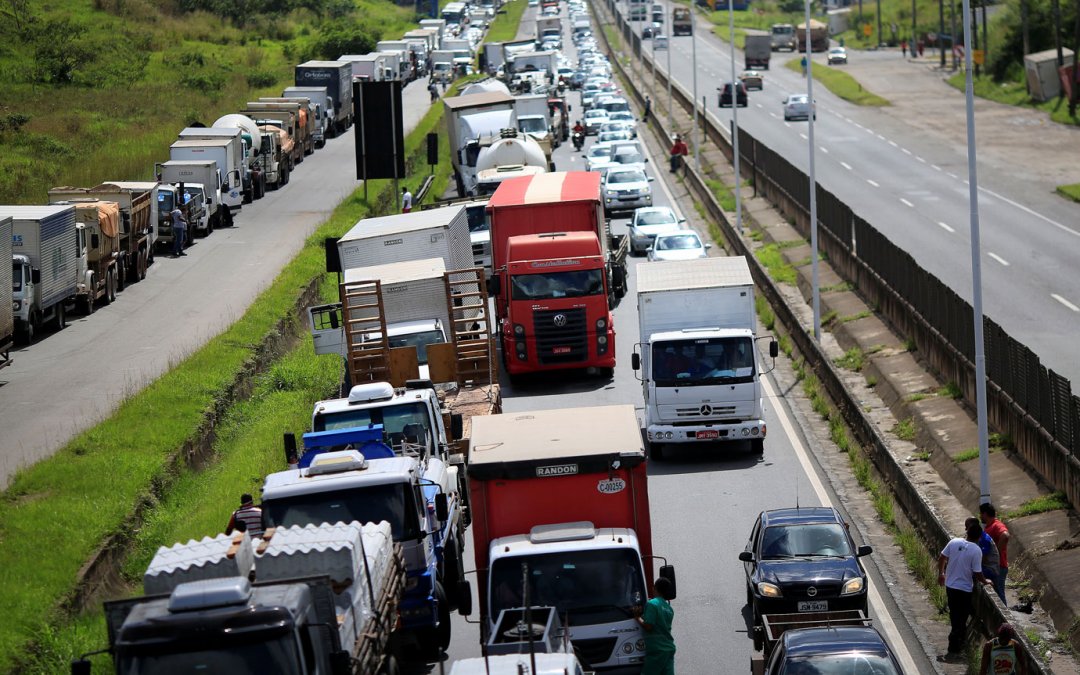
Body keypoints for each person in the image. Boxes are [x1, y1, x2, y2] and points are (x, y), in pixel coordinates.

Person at [938, 522, 992, 661]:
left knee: (955, 616)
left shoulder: (954, 542)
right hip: (964, 589)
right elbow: (978, 573)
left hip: (950, 586)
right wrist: (986, 581)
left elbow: (942, 557)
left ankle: (956, 647)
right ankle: (954, 649)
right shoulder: (976, 550)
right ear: (979, 537)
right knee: (960, 619)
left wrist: (941, 574)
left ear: (967, 532)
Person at [635, 577, 676, 675]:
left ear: (654, 588)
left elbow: (649, 626)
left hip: (657, 651)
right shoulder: (669, 608)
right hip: (669, 649)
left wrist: (637, 617)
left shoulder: (652, 604)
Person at [981, 502, 1011, 603]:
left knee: (999, 597)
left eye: (981, 514)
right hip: (994, 566)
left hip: (999, 566)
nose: (980, 516)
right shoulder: (990, 526)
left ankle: (1005, 619)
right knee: (996, 596)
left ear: (985, 514)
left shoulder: (996, 525)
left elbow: (1005, 535)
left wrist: (996, 553)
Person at [966, 517, 1001, 591]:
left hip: (990, 568)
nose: (966, 530)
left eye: (967, 527)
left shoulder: (984, 539)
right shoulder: (974, 537)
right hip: (984, 566)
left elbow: (981, 559)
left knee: (969, 572)